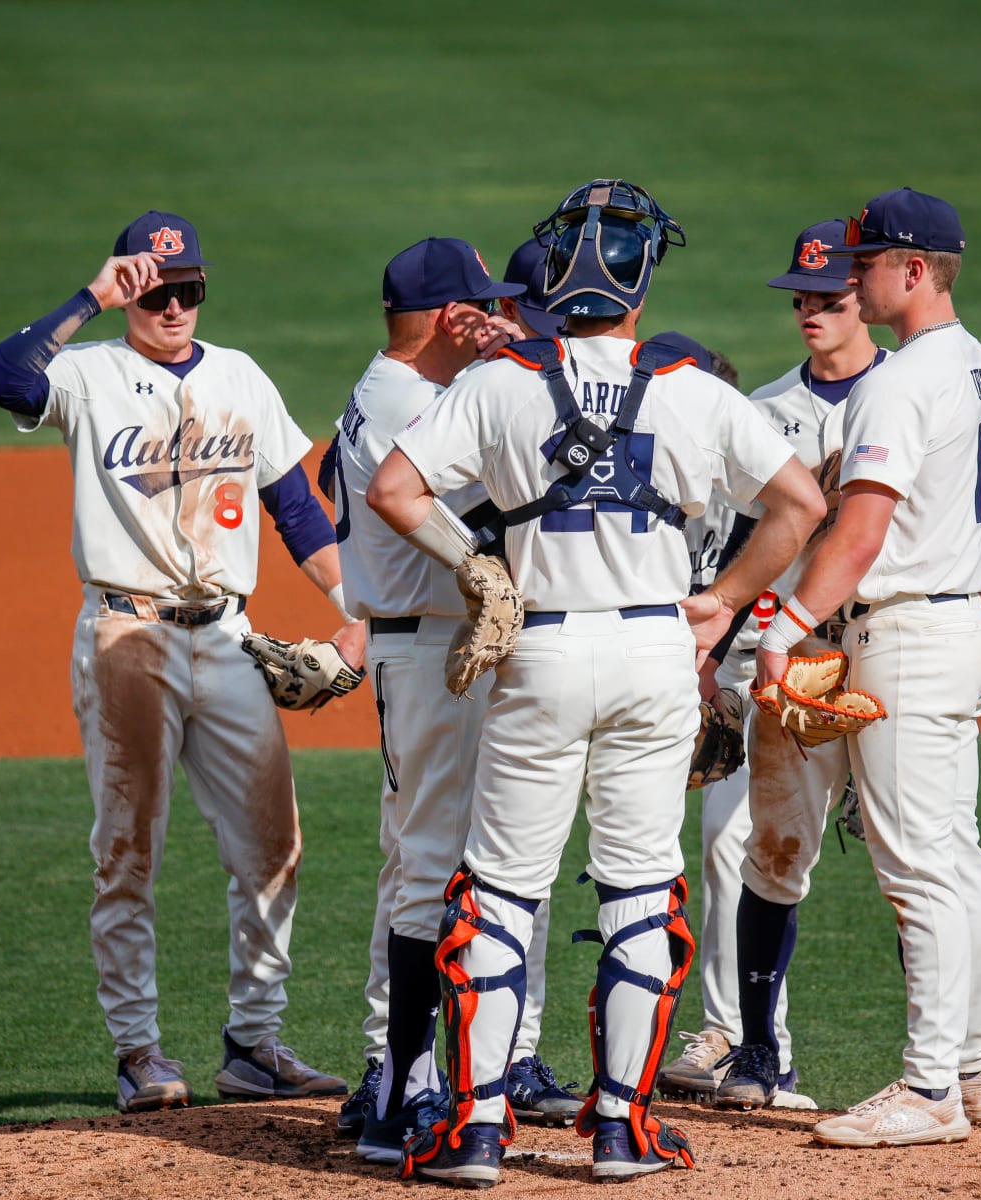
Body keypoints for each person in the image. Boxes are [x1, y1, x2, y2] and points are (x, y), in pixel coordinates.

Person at [366, 178, 826, 1186]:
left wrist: (475, 563)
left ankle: (475, 1132)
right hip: (659, 653)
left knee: (498, 891)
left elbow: (390, 489)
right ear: (641, 288)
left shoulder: (499, 381)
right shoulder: (696, 387)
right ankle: (622, 1128)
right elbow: (800, 502)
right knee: (640, 885)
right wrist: (725, 600)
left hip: (541, 649)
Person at [0, 210, 364, 1114]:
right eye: (155, 290)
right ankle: (138, 1051)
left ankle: (255, 1044)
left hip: (228, 637)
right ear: (130, 292)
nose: (175, 304)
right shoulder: (86, 374)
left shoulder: (239, 376)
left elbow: (295, 510)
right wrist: (91, 298)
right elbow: (0, 375)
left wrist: (360, 618)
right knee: (128, 851)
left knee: (275, 847)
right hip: (127, 638)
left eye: (188, 287)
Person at [750, 188, 981, 1147]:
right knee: (956, 857)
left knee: (917, 866)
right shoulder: (974, 368)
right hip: (957, 633)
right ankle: (973, 1070)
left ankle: (928, 1087)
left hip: (905, 638)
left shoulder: (900, 381)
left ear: (913, 270)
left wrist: (786, 624)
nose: (849, 278)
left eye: (867, 262)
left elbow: (863, 528)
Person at [330, 238, 584, 1152]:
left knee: (424, 861)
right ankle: (404, 1094)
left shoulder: (385, 390)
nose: (490, 316)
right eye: (478, 305)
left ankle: (418, 1078)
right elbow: (517, 505)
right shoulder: (420, 403)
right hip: (441, 654)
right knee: (438, 868)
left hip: (424, 649)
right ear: (447, 317)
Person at [666, 220, 891, 1112]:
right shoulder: (760, 412)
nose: (811, 311)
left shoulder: (908, 393)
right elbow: (731, 545)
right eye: (799, 298)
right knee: (741, 844)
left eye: (829, 298)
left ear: (863, 300)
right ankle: (743, 1044)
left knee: (908, 857)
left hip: (879, 646)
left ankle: (957, 1063)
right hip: (776, 657)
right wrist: (714, 660)